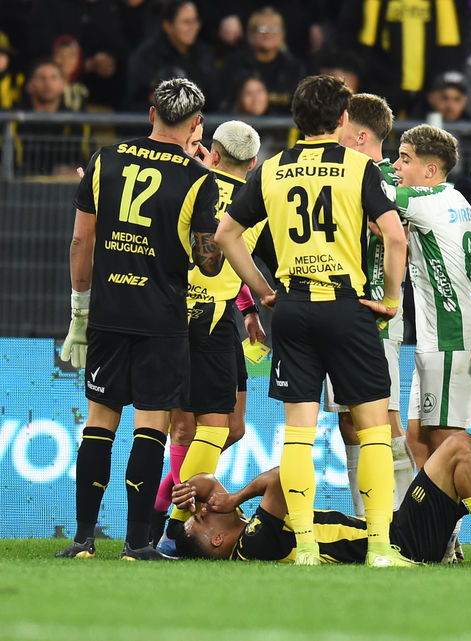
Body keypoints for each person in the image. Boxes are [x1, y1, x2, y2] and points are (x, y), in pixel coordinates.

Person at [215, 74, 412, 568]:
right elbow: (395, 238)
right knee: (373, 433)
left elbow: (226, 235)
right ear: (344, 119)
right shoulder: (358, 168)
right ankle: (381, 548)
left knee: (298, 434)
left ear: (295, 119)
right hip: (347, 308)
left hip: (294, 310)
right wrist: (390, 298)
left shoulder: (272, 169)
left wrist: (263, 292)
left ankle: (303, 546)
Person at [56, 77, 222, 561]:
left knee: (99, 422)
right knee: (150, 425)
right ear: (195, 125)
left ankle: (84, 539)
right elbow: (208, 260)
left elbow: (80, 241)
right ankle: (136, 543)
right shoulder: (198, 178)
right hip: (163, 316)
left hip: (108, 312)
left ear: (151, 113)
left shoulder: (104, 159)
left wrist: (79, 310)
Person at [170, 431, 471, 568]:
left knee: (463, 447)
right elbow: (282, 478)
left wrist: (202, 493)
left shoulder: (249, 534)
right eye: (202, 519)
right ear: (218, 541)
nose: (205, 509)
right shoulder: (255, 544)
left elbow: (206, 484)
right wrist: (235, 495)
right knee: (460, 447)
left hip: (395, 530)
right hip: (400, 543)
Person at [152, 120, 270, 553]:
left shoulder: (191, 183)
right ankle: (169, 526)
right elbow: (237, 254)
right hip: (200, 320)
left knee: (232, 428)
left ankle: (161, 506)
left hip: (211, 316)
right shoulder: (258, 199)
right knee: (200, 428)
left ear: (214, 154)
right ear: (254, 162)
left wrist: (248, 308)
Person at [321, 93, 415, 518]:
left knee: (385, 421)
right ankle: (366, 521)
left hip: (375, 317)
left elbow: (400, 239)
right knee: (350, 423)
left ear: (359, 135)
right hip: (342, 313)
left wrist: (389, 299)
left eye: (340, 128)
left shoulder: (383, 180)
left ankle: (412, 525)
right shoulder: (348, 175)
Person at [393, 124, 471, 461]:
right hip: (442, 336)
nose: (396, 166)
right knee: (418, 440)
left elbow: (368, 193)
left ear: (430, 170)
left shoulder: (423, 200)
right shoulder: (457, 198)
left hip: (449, 340)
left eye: (405, 159)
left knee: (451, 446)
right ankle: (432, 516)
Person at [124, 1, 215, 111]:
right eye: (186, 22)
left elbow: (212, 97)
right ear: (168, 26)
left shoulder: (204, 54)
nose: (194, 27)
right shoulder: (146, 56)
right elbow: (137, 98)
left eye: (195, 21)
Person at [223, 7, 306, 115]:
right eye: (262, 29)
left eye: (274, 29)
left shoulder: (295, 68)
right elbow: (225, 104)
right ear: (250, 35)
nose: (268, 34)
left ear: (283, 35)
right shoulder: (234, 64)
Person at [13, 58, 89, 177]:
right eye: (41, 78)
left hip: (64, 188)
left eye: (54, 78)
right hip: (21, 187)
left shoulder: (76, 122)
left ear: (64, 85)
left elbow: (91, 160)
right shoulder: (13, 121)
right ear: (29, 86)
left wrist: (76, 170)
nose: (47, 84)